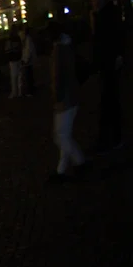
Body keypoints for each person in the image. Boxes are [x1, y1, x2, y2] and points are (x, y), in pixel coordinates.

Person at [48, 20, 84, 181]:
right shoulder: (67, 46)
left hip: (65, 98)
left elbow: (58, 77)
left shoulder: (58, 50)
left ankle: (75, 163)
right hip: (71, 95)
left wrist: (56, 96)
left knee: (60, 135)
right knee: (64, 135)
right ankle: (65, 168)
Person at [90, 0, 125, 152]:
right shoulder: (102, 15)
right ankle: (109, 137)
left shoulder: (107, 15)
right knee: (107, 100)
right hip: (106, 63)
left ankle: (112, 137)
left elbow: (112, 36)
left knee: (110, 100)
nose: (94, 3)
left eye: (96, 1)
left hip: (109, 62)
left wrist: (118, 54)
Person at [19, 24, 37, 96]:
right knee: (29, 74)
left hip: (27, 59)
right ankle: (31, 89)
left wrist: (25, 59)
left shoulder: (26, 38)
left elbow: (27, 50)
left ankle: (29, 90)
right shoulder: (27, 38)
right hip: (28, 59)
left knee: (28, 75)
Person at [5, 30, 22, 99]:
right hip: (18, 58)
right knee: (19, 76)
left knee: (14, 77)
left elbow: (7, 50)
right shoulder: (18, 39)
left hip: (13, 60)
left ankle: (15, 92)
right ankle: (20, 92)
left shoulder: (9, 41)